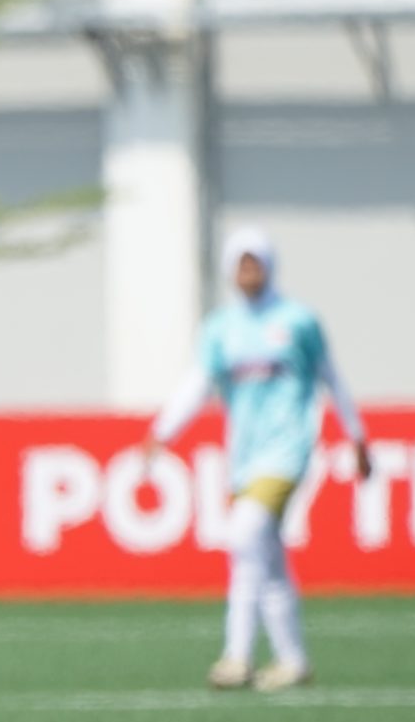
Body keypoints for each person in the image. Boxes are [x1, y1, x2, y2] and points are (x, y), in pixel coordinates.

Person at [148, 229, 369, 692]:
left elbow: (332, 377)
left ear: (269, 265)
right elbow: (198, 384)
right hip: (245, 457)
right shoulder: (220, 328)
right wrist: (163, 431)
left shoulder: (298, 320)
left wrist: (356, 435)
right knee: (266, 557)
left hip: (288, 449)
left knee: (244, 536)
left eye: (255, 262)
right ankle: (293, 660)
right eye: (241, 263)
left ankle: (237, 656)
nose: (248, 272)